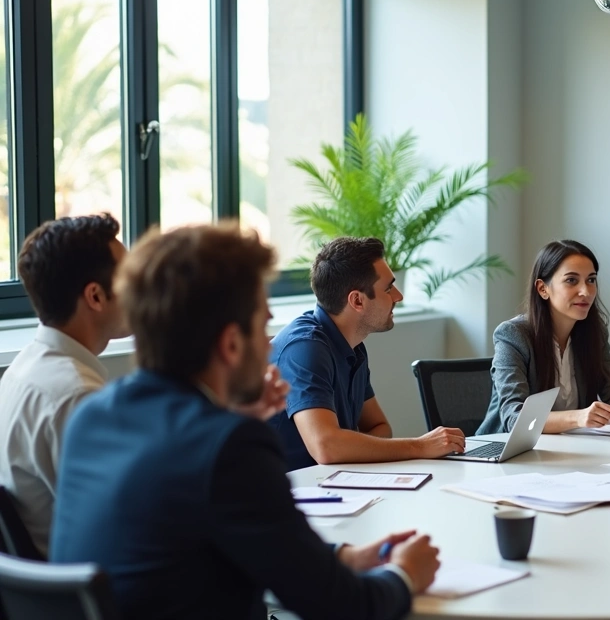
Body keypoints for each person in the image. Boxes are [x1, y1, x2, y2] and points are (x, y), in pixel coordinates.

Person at [51, 224, 440, 620]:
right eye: (262, 323)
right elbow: (342, 606)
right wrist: (405, 574)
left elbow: (221, 541)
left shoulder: (93, 416)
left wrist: (343, 556)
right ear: (232, 343)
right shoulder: (230, 446)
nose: (271, 343)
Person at [267, 237, 465, 471]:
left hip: (329, 483)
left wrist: (348, 447)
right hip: (282, 488)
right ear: (357, 300)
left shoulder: (353, 345)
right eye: (388, 288)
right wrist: (420, 446)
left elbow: (380, 427)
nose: (398, 296)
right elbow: (326, 447)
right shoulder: (305, 349)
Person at [0, 214, 128, 557]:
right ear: (96, 296)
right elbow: (127, 522)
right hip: (91, 580)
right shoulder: (77, 397)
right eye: (131, 278)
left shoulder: (22, 371)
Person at [477, 240, 610, 435]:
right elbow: (515, 418)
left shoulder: (594, 333)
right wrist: (578, 417)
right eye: (571, 280)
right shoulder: (513, 335)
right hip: (504, 448)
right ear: (543, 289)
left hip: (569, 447)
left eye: (591, 280)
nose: (586, 291)